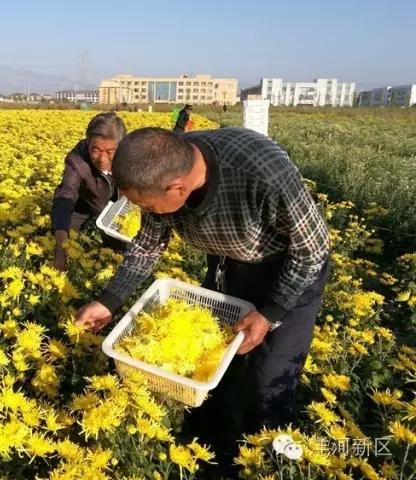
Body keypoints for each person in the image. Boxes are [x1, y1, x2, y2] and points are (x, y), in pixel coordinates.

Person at [75, 127, 330, 474]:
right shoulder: (160, 172)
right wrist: (109, 299)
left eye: (147, 206)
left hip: (291, 270)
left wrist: (271, 313)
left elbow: (312, 250)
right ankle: (207, 455)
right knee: (208, 369)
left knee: (267, 384)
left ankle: (269, 465)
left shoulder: (262, 173)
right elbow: (148, 244)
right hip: (229, 265)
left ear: (177, 188)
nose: (145, 212)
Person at [51, 112, 127, 271]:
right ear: (87, 142)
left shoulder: (132, 155)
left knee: (120, 252)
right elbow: (65, 195)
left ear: (122, 145)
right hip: (86, 202)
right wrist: (61, 248)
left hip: (122, 207)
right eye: (96, 150)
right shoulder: (77, 159)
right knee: (64, 236)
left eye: (110, 152)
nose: (102, 159)